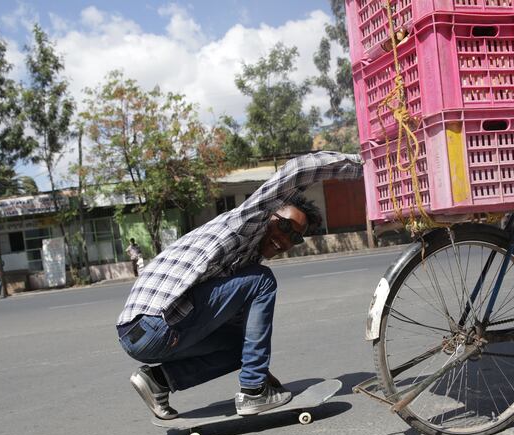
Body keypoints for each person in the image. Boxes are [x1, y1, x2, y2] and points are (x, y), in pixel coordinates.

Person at [116, 152, 362, 419]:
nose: (285, 240)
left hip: (139, 334)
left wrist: (259, 370)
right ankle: (254, 394)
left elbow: (240, 329)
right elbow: (299, 169)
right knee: (263, 280)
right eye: (284, 227)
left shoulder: (242, 262)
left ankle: (158, 380)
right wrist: (365, 165)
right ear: (271, 214)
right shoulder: (246, 221)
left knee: (239, 347)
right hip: (156, 324)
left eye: (295, 238)